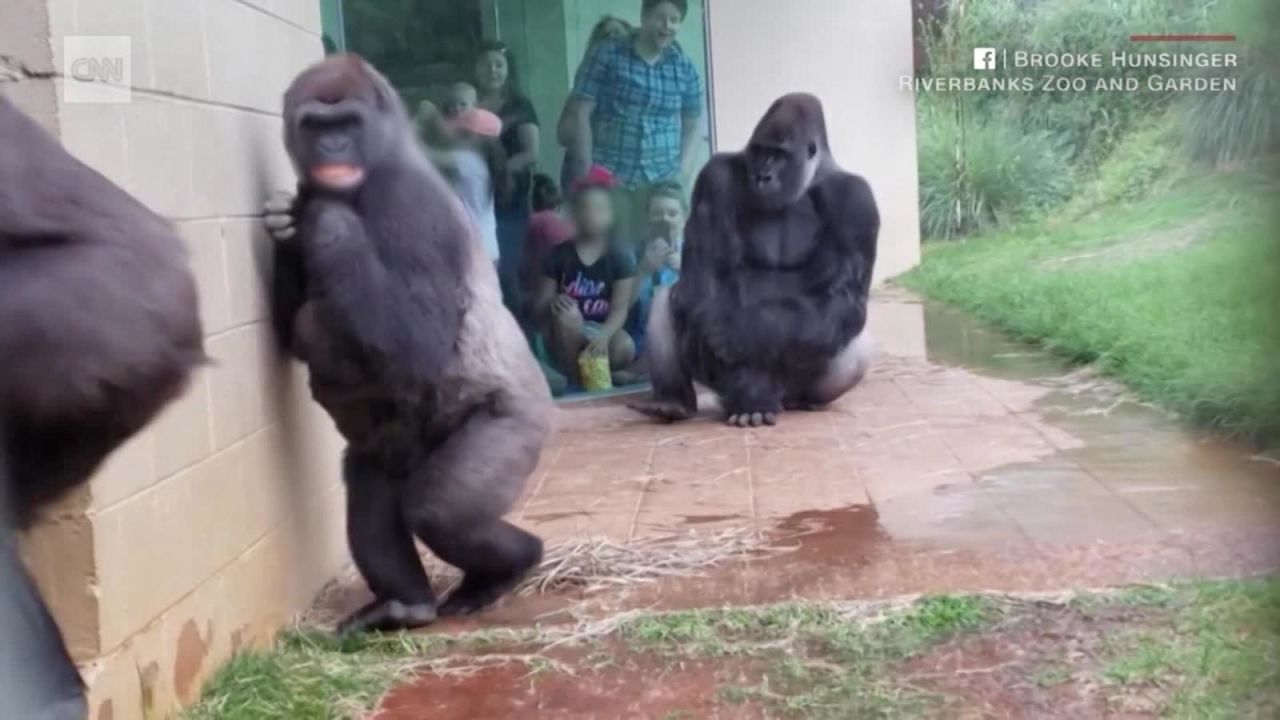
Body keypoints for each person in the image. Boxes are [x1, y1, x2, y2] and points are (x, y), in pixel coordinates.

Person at [561, 0, 703, 251]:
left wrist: (681, 175)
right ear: (645, 15)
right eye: (661, 17)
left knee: (661, 260)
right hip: (614, 180)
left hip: (662, 184)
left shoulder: (683, 67)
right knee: (615, 260)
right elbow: (580, 112)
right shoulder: (607, 54)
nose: (667, 26)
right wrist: (586, 172)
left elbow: (693, 123)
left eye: (674, 20)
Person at [535, 166, 638, 388]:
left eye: (599, 209)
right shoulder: (559, 254)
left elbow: (620, 308)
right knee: (568, 315)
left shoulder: (620, 255)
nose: (591, 215)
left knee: (625, 346)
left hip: (601, 331)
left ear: (612, 214)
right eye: (585, 209)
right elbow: (541, 303)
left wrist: (605, 335)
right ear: (575, 213)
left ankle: (600, 376)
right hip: (565, 333)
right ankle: (578, 382)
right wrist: (553, 302)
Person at [474, 41, 540, 311]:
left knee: (507, 271)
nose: (493, 70)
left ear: (508, 70)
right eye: (487, 64)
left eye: (499, 65)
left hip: (509, 200)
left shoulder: (519, 105)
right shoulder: (468, 102)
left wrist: (499, 174)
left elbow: (531, 153)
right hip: (474, 202)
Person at [556, 15, 634, 191]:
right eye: (606, 35)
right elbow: (562, 135)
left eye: (618, 34)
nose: (612, 39)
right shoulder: (585, 81)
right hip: (587, 170)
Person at [627, 181, 686, 356]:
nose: (665, 219)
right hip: (640, 340)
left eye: (672, 213)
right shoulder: (632, 254)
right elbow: (619, 307)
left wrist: (685, 271)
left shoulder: (698, 253)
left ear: (684, 218)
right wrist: (643, 270)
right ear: (647, 217)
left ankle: (639, 372)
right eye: (657, 213)